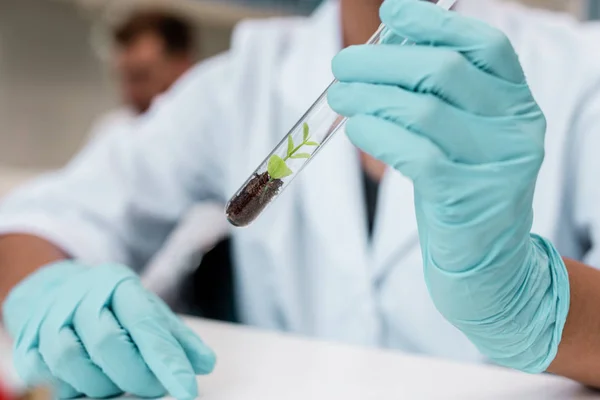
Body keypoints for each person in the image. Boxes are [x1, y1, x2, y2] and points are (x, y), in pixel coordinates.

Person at [1, 0, 600, 398]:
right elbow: (48, 217)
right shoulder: (244, 78)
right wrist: (48, 290)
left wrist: (528, 302)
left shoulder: (578, 67)